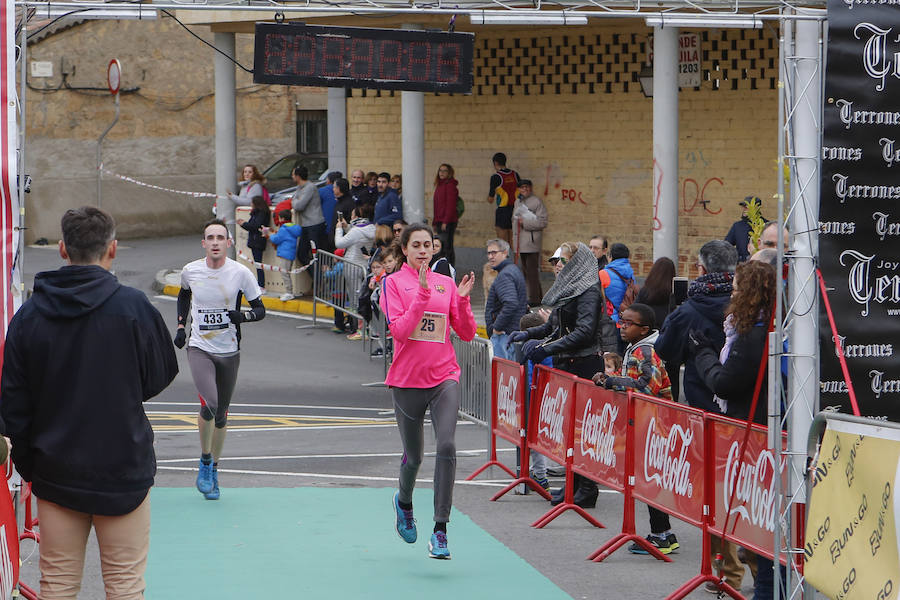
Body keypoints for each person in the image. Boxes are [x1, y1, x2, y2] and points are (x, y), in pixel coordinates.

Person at [0, 206, 178, 597]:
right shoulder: (134, 308)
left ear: (62, 249)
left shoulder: (29, 317)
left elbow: (13, 406)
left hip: (55, 470)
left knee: (58, 584)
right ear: (112, 249)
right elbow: (160, 374)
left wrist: (33, 466)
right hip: (123, 469)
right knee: (125, 584)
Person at [382, 223, 476, 560]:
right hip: (407, 381)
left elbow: (465, 333)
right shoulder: (392, 284)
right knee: (415, 457)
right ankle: (404, 501)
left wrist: (462, 303)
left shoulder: (446, 283)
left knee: (448, 445)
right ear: (404, 249)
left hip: (443, 376)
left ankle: (440, 529)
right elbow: (401, 331)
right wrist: (421, 295)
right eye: (416, 245)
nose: (423, 250)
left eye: (428, 245)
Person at [654, 239, 741, 591]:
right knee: (744, 489)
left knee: (715, 491)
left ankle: (725, 571)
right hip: (746, 409)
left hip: (705, 408)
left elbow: (663, 350)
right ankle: (747, 566)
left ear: (702, 270)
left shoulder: (690, 309)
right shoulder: (746, 305)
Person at [690, 260, 777, 597]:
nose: (733, 294)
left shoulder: (753, 334)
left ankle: (758, 584)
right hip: (752, 430)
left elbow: (725, 384)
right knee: (753, 523)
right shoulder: (751, 329)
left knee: (755, 522)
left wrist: (703, 355)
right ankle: (754, 579)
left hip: (752, 433)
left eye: (738, 288)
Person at [509, 242, 613, 508]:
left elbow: (584, 332)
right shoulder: (569, 290)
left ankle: (586, 488)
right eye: (555, 260)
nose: (556, 265)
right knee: (570, 430)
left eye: (562, 261)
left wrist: (546, 350)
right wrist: (529, 334)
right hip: (569, 363)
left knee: (583, 430)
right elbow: (553, 327)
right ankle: (574, 484)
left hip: (586, 364)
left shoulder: (588, 291)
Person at [175, 219, 266, 501]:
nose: (215, 242)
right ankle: (203, 461)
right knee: (210, 404)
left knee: (223, 415)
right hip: (199, 346)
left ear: (228, 243)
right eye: (210, 238)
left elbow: (260, 309)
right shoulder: (191, 270)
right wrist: (180, 326)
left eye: (220, 238)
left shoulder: (240, 273)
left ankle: (214, 469)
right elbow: (184, 295)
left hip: (229, 350)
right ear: (204, 243)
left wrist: (244, 317)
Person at [592, 303, 677, 556]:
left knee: (649, 479)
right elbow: (629, 375)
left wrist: (613, 381)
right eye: (621, 321)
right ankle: (664, 533)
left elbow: (647, 386)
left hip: (653, 423)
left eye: (628, 323)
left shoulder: (646, 350)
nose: (622, 326)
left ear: (644, 329)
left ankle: (661, 535)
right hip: (643, 422)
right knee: (647, 479)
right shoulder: (636, 348)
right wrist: (609, 377)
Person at [634, 257, 679, 400]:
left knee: (646, 379)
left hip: (646, 341)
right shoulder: (674, 295)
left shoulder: (645, 292)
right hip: (668, 343)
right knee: (671, 381)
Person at [334, 204, 376, 335]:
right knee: (362, 296)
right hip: (364, 265)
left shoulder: (357, 231)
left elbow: (340, 243)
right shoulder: (371, 228)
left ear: (358, 216)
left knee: (355, 297)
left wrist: (339, 229)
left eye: (352, 215)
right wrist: (347, 227)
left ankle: (359, 329)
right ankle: (363, 327)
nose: (351, 217)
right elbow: (354, 236)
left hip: (351, 264)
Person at [484, 238, 528, 361]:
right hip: (510, 333)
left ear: (505, 253)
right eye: (488, 253)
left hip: (504, 335)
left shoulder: (505, 275)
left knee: (502, 375)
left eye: (494, 253)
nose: (490, 257)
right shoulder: (511, 270)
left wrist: (497, 327)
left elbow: (511, 303)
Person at [512, 179, 548, 306]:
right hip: (520, 242)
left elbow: (543, 222)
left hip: (531, 242)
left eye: (527, 187)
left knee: (532, 271)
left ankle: (534, 299)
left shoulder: (536, 202)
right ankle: (537, 296)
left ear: (531, 188)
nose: (524, 190)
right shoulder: (517, 201)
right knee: (526, 271)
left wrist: (525, 223)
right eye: (522, 187)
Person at [291, 165, 327, 266]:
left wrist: (293, 201)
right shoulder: (299, 188)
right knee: (301, 254)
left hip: (314, 225)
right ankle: (314, 274)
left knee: (315, 254)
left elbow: (298, 205)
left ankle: (318, 277)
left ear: (298, 176)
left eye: (293, 175)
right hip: (306, 225)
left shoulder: (310, 187)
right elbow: (295, 200)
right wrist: (295, 200)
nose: (292, 177)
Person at [237, 195, 271, 291]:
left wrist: (243, 224)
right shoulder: (260, 213)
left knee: (258, 263)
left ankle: (261, 285)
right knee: (257, 263)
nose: (251, 205)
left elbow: (255, 226)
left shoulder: (260, 213)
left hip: (257, 241)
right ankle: (260, 284)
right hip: (256, 240)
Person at [268, 209, 302, 301]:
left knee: (284, 273)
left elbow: (276, 239)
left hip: (284, 254)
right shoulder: (294, 228)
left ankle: (289, 292)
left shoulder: (284, 228)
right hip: (290, 253)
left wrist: (269, 235)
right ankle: (289, 291)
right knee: (287, 272)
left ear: (282, 218)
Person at [486, 152, 519, 245]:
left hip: (503, 210)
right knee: (513, 241)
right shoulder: (515, 174)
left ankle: (504, 259)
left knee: (502, 243)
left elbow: (490, 199)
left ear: (495, 163)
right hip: (515, 210)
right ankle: (514, 260)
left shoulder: (496, 177)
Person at [599, 242, 635, 327]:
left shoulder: (603, 274)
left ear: (610, 256)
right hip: (627, 322)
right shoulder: (631, 274)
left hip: (610, 322)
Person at [432, 163, 460, 266]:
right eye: (440, 170)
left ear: (449, 173)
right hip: (440, 220)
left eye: (445, 171)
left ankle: (449, 268)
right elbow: (437, 206)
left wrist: (445, 221)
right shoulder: (439, 185)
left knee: (446, 247)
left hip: (447, 221)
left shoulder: (450, 186)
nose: (442, 173)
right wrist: (435, 222)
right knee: (443, 245)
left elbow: (451, 206)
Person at [725, 196, 765, 263]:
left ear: (756, 208)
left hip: (761, 264)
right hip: (742, 265)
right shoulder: (737, 226)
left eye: (746, 207)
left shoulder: (765, 225)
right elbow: (726, 245)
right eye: (743, 207)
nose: (744, 209)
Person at [320, 170, 343, 248]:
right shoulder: (345, 191)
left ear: (329, 180)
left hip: (326, 227)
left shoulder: (322, 191)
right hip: (341, 228)